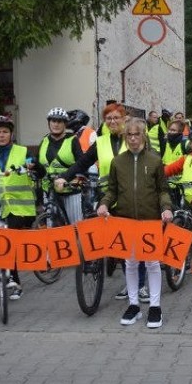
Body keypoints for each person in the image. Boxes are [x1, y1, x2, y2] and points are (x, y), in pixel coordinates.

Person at [97, 118, 173, 328]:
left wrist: (166, 208)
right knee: (130, 263)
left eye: (136, 134)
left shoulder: (155, 161)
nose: (132, 138)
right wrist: (104, 204)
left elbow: (162, 190)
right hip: (126, 221)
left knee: (152, 263)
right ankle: (134, 305)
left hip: (150, 221)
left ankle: (155, 307)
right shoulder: (118, 162)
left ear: (143, 136)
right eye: (128, 135)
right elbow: (112, 190)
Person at [57, 103, 132, 299]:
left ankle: (136, 284)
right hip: (107, 198)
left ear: (124, 119)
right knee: (108, 238)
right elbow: (82, 162)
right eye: (109, 119)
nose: (113, 121)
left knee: (128, 243)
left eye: (116, 118)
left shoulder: (133, 138)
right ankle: (101, 266)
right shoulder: (101, 142)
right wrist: (65, 176)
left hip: (131, 198)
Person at [0, 115, 36, 300]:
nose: (1, 135)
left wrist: (33, 165)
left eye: (5, 132)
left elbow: (35, 166)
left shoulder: (22, 151)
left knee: (10, 243)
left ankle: (15, 282)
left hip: (18, 207)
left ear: (11, 134)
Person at [35, 107, 84, 224]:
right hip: (49, 191)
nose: (56, 124)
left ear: (65, 124)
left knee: (75, 227)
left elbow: (82, 164)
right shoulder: (44, 141)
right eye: (53, 121)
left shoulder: (72, 140)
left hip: (70, 191)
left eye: (59, 121)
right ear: (49, 123)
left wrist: (74, 180)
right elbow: (38, 165)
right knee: (51, 227)